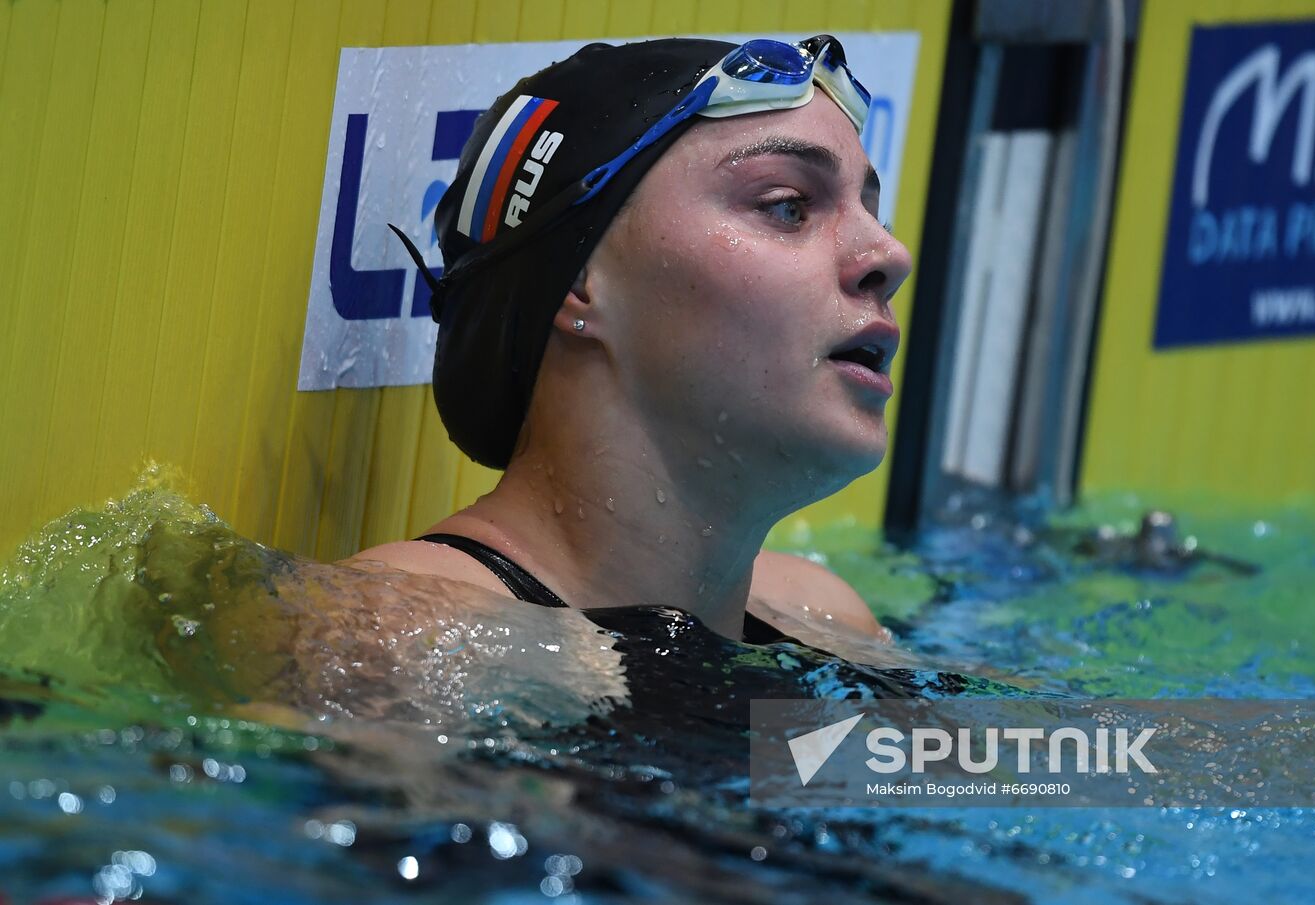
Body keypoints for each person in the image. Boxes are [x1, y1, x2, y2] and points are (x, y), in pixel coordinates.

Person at [348, 35, 912, 654]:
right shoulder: (401, 634)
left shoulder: (828, 621)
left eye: (871, 213)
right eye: (786, 206)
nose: (889, 255)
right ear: (579, 281)